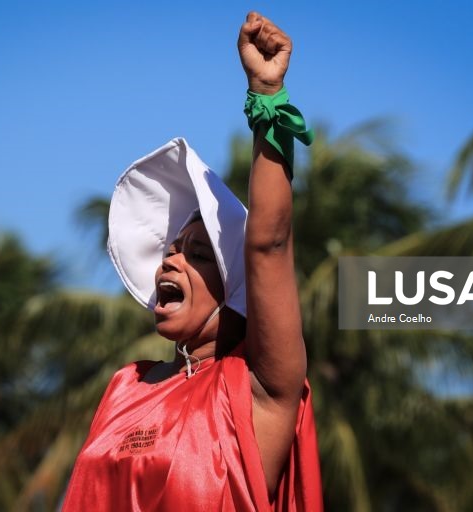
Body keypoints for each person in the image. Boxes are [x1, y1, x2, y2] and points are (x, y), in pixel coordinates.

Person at [61, 12, 323, 511]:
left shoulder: (259, 390)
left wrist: (266, 95)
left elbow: (267, 245)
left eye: (198, 254)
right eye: (170, 250)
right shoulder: (125, 386)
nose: (169, 262)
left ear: (235, 290)